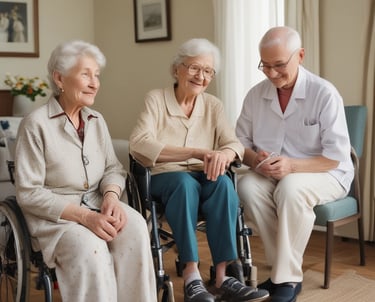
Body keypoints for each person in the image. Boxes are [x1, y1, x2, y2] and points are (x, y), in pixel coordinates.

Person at [14, 40, 157, 302]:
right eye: (85, 74)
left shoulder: (96, 120)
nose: (95, 83)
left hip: (97, 202)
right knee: (89, 246)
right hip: (56, 219)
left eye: (97, 75)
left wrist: (112, 197)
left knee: (135, 225)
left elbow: (113, 168)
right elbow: (29, 193)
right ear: (59, 78)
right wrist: (84, 217)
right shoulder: (35, 125)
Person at [129, 38, 269, 302]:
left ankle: (223, 277)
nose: (201, 76)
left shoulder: (213, 105)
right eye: (194, 68)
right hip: (164, 178)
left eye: (208, 71)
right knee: (184, 183)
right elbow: (139, 143)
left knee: (223, 184)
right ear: (176, 69)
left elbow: (234, 144)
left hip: (203, 177)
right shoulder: (156, 100)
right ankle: (192, 278)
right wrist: (196, 152)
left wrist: (226, 153)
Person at [235, 26, 353, 302]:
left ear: (300, 55)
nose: (272, 74)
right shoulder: (255, 96)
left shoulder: (324, 93)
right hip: (274, 173)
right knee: (248, 186)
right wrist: (256, 160)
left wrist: (291, 166)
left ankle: (286, 279)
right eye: (265, 66)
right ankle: (283, 272)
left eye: (279, 65)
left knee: (290, 188)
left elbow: (335, 156)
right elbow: (240, 144)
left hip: (326, 172)